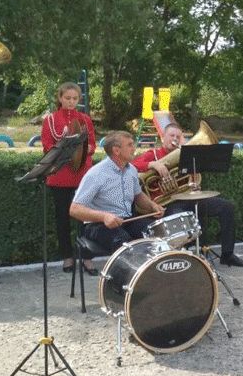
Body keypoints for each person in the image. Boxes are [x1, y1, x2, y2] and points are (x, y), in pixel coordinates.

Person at [131, 123, 243, 267]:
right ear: (163, 138)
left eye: (178, 136)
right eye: (171, 135)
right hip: (166, 203)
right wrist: (152, 165)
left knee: (227, 207)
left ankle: (228, 255)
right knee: (180, 218)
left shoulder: (186, 155)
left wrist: (194, 185)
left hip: (188, 198)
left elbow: (194, 177)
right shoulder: (153, 154)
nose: (174, 139)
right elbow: (132, 165)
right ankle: (182, 258)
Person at [69, 131, 164, 253]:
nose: (134, 149)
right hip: (98, 225)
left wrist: (152, 206)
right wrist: (104, 216)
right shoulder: (96, 173)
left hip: (127, 220)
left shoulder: (132, 170)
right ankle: (128, 271)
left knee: (159, 234)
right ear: (116, 150)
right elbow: (74, 209)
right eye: (129, 145)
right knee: (126, 246)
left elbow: (138, 195)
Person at [40, 82, 96, 274]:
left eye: (74, 99)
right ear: (60, 98)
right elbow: (47, 145)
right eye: (67, 98)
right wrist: (68, 151)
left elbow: (93, 146)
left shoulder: (85, 119)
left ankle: (87, 258)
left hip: (82, 176)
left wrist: (86, 150)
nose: (71, 102)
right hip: (60, 176)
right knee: (62, 219)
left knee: (86, 220)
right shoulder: (50, 120)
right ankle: (67, 258)